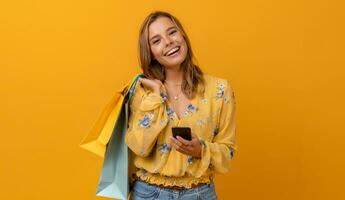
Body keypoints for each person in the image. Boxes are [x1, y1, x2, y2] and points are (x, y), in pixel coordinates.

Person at [125, 11, 237, 200]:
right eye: (156, 40)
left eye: (172, 32)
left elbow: (227, 152)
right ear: (150, 53)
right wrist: (155, 97)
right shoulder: (142, 91)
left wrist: (200, 150)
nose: (168, 42)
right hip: (148, 194)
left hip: (200, 193)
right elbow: (139, 148)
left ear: (183, 35)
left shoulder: (220, 90)